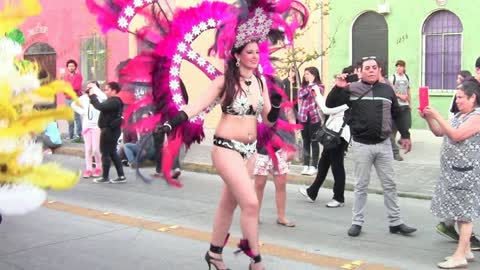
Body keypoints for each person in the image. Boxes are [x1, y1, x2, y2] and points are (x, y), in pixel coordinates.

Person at [155, 38, 280, 268]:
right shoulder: (224, 82)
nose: (254, 56)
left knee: (228, 204)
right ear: (237, 55)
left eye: (256, 52)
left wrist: (277, 108)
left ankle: (214, 254)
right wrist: (172, 123)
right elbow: (196, 105)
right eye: (249, 52)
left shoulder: (260, 83)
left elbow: (268, 121)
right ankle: (256, 260)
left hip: (250, 152)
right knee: (251, 203)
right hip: (226, 148)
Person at [329, 56, 416, 237]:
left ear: (379, 70)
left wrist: (405, 135)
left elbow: (397, 113)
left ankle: (395, 222)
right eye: (367, 68)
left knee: (390, 184)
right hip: (362, 145)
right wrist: (338, 87)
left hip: (384, 145)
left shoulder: (387, 89)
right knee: (361, 186)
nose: (371, 70)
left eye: (374, 67)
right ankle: (357, 222)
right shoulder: (351, 89)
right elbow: (331, 104)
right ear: (360, 71)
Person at [419, 79, 480, 269]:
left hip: (467, 174)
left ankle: (460, 256)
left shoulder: (477, 117)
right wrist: (429, 118)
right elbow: (439, 132)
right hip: (453, 172)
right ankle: (467, 250)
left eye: (461, 98)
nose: (458, 101)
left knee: (464, 215)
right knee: (459, 213)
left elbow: (456, 135)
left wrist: (437, 114)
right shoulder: (459, 115)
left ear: (473, 98)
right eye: (457, 97)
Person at [298, 66, 352, 208]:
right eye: (340, 77)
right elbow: (330, 103)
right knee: (323, 164)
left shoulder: (352, 95)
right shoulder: (341, 91)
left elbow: (326, 109)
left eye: (345, 77)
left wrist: (317, 95)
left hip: (340, 135)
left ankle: (338, 197)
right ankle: (312, 191)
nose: (341, 79)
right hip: (332, 132)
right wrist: (337, 87)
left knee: (337, 165)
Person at [254, 89, 296, 227]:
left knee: (281, 184)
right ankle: (255, 215)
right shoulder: (257, 101)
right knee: (259, 184)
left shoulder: (284, 103)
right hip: (261, 148)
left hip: (280, 149)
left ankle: (281, 216)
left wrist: (292, 145)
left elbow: (291, 122)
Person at [88, 82, 126, 184]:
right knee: (112, 152)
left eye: (107, 89)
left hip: (109, 130)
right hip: (111, 130)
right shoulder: (114, 101)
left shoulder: (114, 101)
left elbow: (100, 106)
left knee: (105, 153)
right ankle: (121, 176)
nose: (106, 91)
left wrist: (92, 96)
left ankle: (105, 177)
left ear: (113, 91)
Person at [71, 81, 106, 178]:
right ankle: (89, 169)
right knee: (88, 149)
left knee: (96, 149)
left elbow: (104, 98)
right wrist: (82, 112)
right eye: (88, 86)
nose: (89, 88)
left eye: (92, 87)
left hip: (97, 126)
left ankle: (99, 167)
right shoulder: (84, 98)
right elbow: (73, 104)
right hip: (86, 126)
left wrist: (95, 89)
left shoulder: (99, 97)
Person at [297, 66, 324, 176]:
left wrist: (312, 84)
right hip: (303, 117)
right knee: (305, 141)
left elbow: (315, 93)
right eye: (305, 74)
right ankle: (306, 165)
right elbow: (301, 95)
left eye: (307, 73)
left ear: (314, 74)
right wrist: (309, 87)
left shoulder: (320, 86)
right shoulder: (303, 87)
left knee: (314, 141)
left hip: (314, 118)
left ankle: (314, 166)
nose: (305, 76)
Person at [389, 60, 412, 161]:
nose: (399, 68)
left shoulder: (406, 77)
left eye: (401, 66)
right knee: (394, 126)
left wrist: (410, 103)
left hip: (405, 105)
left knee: (406, 124)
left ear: (404, 67)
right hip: (396, 105)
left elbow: (408, 91)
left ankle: (402, 140)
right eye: (397, 66)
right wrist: (400, 96)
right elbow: (391, 91)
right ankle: (392, 145)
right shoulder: (392, 77)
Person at [62, 59, 83, 140]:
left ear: (75, 67)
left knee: (77, 117)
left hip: (76, 98)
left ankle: (78, 134)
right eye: (69, 66)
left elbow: (76, 87)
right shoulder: (65, 77)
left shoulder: (78, 76)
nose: (71, 67)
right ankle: (70, 135)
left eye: (72, 66)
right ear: (67, 67)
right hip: (67, 99)